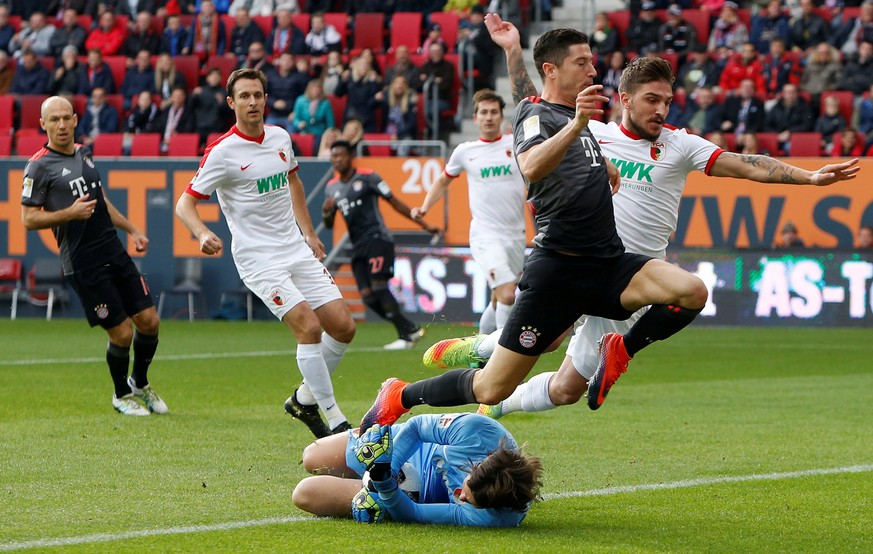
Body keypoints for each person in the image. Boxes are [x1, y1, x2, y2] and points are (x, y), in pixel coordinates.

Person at [418, 14, 860, 423]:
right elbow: (531, 109)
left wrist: (810, 178)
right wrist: (514, 51)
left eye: (667, 101)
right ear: (625, 99)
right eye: (652, 100)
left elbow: (746, 163)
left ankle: (493, 403)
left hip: (632, 279)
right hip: (584, 262)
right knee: (545, 338)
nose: (662, 110)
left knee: (568, 387)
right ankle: (481, 354)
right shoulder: (594, 131)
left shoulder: (681, 145)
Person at [359, 24, 712, 430]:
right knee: (492, 388)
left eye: (592, 63)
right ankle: (401, 395)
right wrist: (578, 126)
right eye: (582, 63)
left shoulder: (562, 113)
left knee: (691, 291)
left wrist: (512, 50)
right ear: (553, 70)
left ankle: (621, 350)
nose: (592, 72)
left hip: (608, 264)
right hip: (559, 272)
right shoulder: (554, 118)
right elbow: (530, 165)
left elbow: (527, 94)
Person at [175, 68, 356, 438]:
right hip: (258, 259)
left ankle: (303, 401)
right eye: (244, 96)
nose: (253, 102)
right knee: (309, 327)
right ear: (231, 103)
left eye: (257, 94)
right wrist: (202, 232)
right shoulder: (222, 153)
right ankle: (336, 421)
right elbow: (185, 203)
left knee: (343, 326)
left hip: (294, 247)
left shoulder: (280, 137)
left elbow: (293, 180)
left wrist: (309, 232)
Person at [21, 96, 167, 417]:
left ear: (75, 120)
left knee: (149, 321)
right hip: (83, 262)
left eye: (65, 118)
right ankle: (120, 395)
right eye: (53, 120)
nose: (61, 125)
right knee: (122, 333)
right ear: (43, 124)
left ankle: (139, 383)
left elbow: (100, 199)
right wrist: (69, 213)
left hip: (112, 250)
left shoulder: (84, 153)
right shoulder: (38, 166)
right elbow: (28, 219)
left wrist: (132, 229)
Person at [292, 412, 543, 526]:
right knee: (311, 457)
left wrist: (385, 483)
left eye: (469, 502)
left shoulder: (492, 518)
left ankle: (372, 486)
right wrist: (388, 463)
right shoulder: (476, 431)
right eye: (466, 489)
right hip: (410, 446)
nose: (461, 497)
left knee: (304, 493)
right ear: (475, 466)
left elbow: (414, 513)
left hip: (416, 493)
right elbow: (416, 426)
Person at [411, 89, 526, 335]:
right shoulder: (465, 151)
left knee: (498, 299)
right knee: (507, 294)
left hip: (516, 235)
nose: (488, 117)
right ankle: (503, 360)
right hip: (486, 235)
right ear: (475, 118)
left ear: (501, 117)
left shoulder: (515, 143)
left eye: (494, 112)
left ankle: (479, 352)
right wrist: (424, 207)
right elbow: (443, 181)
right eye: (483, 112)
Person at [322, 140, 438, 350]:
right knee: (367, 297)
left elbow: (394, 202)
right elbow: (328, 224)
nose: (337, 160)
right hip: (358, 246)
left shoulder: (368, 177)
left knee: (379, 287)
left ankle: (406, 334)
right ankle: (409, 329)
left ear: (350, 156)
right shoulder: (331, 188)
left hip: (377, 239)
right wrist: (326, 212)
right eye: (334, 156)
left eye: (341, 155)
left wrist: (425, 225)